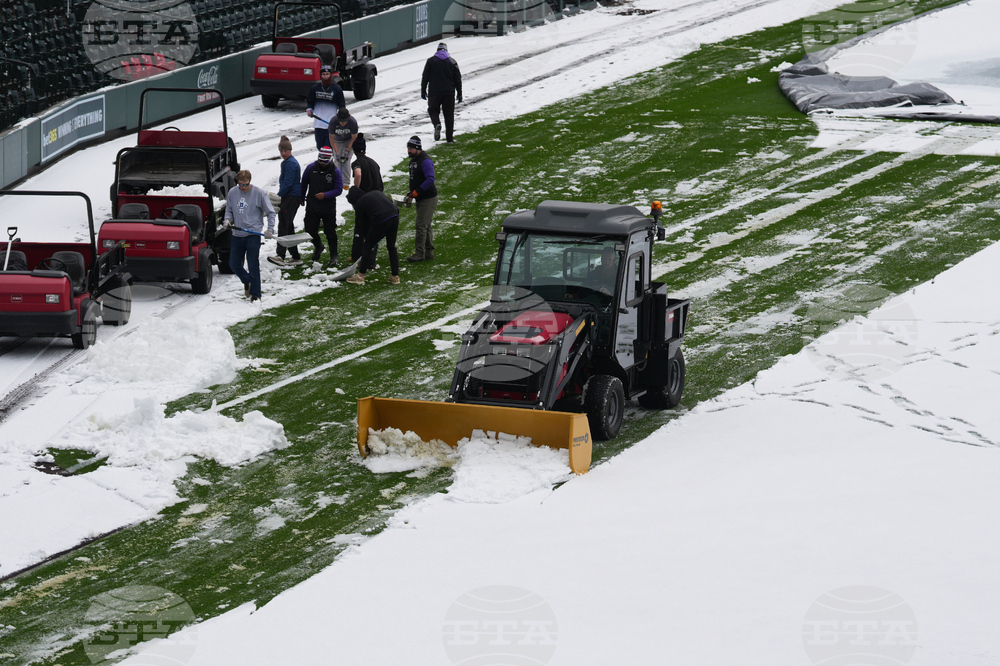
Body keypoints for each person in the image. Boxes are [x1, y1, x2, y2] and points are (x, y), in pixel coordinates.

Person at [223, 170, 275, 303]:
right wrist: (227, 220)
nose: (243, 188)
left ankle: (256, 294)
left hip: (253, 233)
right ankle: (247, 281)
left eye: (245, 185)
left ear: (250, 182)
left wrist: (270, 229)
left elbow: (270, 212)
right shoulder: (233, 193)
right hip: (237, 234)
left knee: (253, 264)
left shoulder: (259, 193)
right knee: (233, 264)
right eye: (240, 185)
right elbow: (228, 209)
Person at [345, 186, 400, 286]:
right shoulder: (375, 192)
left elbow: (362, 225)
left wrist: (369, 240)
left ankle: (360, 276)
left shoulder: (360, 204)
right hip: (395, 216)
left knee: (367, 245)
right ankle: (395, 277)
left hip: (381, 218)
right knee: (391, 247)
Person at [300, 146, 343, 267]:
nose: (323, 164)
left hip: (328, 207)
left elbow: (338, 189)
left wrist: (326, 195)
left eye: (326, 161)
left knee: (330, 232)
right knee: (309, 229)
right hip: (312, 205)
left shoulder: (335, 172)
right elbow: (304, 182)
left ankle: (334, 255)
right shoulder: (311, 168)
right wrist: (302, 197)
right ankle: (318, 246)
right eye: (321, 161)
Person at [268, 135, 304, 267]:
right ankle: (295, 256)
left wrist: (279, 196)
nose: (283, 153)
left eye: (285, 151)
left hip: (290, 197)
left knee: (283, 225)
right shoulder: (287, 162)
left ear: (290, 150)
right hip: (290, 197)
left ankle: (281, 255)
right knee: (288, 226)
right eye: (281, 151)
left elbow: (288, 183)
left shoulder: (290, 164)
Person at [349, 133, 383, 265]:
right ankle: (370, 257)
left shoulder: (357, 163)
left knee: (360, 227)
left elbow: (358, 173)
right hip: (378, 198)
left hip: (366, 200)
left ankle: (358, 256)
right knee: (373, 228)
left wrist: (356, 190)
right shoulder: (374, 163)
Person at [421, 42, 462, 143]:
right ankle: (449, 139)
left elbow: (425, 77)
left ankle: (436, 124)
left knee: (433, 110)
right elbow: (457, 79)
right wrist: (459, 93)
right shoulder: (452, 62)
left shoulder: (430, 61)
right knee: (449, 115)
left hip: (434, 92)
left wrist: (423, 90)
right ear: (446, 50)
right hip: (449, 93)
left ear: (437, 50)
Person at [405, 135, 438, 263]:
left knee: (421, 226)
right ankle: (429, 252)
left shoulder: (425, 161)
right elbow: (416, 180)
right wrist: (411, 193)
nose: (409, 151)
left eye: (411, 148)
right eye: (408, 148)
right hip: (420, 197)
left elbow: (430, 179)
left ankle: (419, 254)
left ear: (418, 148)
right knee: (426, 226)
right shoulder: (413, 161)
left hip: (428, 198)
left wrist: (416, 192)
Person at [305, 65, 346, 150]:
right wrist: (309, 109)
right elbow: (310, 102)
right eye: (323, 74)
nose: (325, 76)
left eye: (327, 74)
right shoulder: (315, 88)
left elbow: (342, 106)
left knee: (329, 149)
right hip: (318, 125)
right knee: (320, 148)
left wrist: (341, 119)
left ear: (331, 75)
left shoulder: (337, 89)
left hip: (331, 126)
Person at [328, 106, 358, 192]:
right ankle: (337, 181)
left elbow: (354, 137)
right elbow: (331, 139)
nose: (343, 123)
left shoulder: (352, 122)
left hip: (349, 141)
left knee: (346, 160)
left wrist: (348, 149)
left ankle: (346, 183)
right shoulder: (333, 121)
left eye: (344, 121)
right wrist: (336, 152)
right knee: (337, 160)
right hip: (337, 141)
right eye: (341, 121)